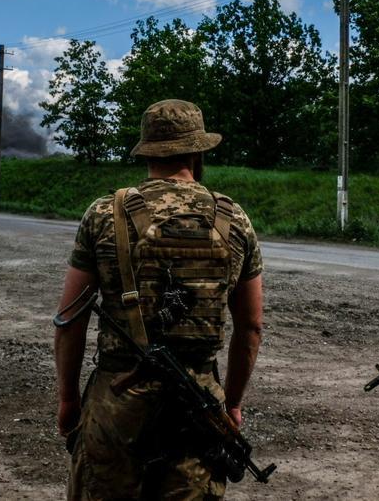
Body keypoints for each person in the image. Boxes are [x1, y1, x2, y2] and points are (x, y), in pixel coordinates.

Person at [54, 99, 265, 501]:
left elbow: (70, 318)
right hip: (198, 403)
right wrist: (232, 404)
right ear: (197, 150)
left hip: (117, 397)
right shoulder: (234, 218)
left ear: (147, 150)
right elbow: (251, 326)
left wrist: (67, 398)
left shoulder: (104, 213)